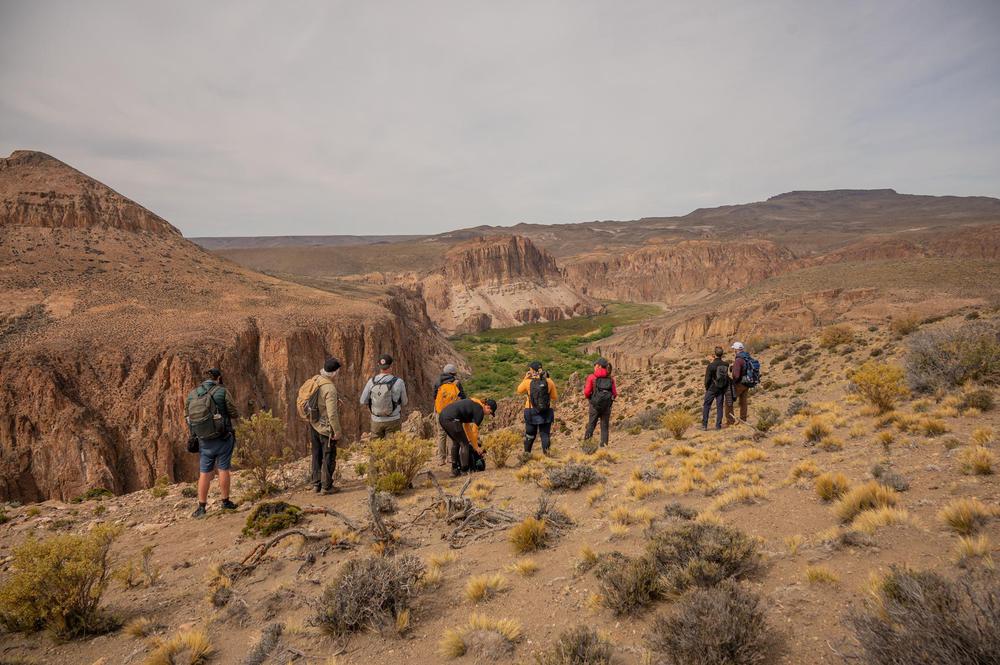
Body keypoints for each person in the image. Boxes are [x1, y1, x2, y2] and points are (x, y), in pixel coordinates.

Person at [185, 368, 240, 518]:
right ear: (219, 378)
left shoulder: (192, 394)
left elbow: (187, 417)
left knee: (204, 473)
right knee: (223, 469)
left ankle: (201, 507)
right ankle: (225, 502)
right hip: (223, 438)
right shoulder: (222, 391)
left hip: (203, 441)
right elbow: (234, 412)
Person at [439, 397, 497, 476]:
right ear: (488, 407)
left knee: (456, 442)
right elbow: (474, 431)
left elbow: (467, 427)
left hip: (443, 417)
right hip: (453, 419)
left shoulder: (475, 403)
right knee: (464, 444)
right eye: (490, 412)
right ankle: (464, 470)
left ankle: (455, 469)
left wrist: (471, 441)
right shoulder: (480, 410)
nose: (488, 414)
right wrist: (476, 447)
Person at [310, 357, 343, 494]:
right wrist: (337, 431)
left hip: (313, 423)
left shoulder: (316, 379)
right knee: (328, 455)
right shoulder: (330, 388)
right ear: (334, 373)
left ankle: (316, 484)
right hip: (325, 427)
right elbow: (332, 414)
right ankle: (326, 487)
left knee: (316, 454)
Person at [359, 354, 408, 438]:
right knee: (393, 447)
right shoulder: (399, 382)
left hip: (376, 421)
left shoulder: (371, 381)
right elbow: (404, 402)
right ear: (391, 366)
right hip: (393, 420)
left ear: (379, 366)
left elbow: (363, 400)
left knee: (376, 447)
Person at [516, 361, 558, 455]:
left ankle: (527, 455)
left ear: (531, 370)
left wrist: (525, 378)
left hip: (530, 410)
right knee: (545, 435)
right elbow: (554, 397)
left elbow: (519, 391)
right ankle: (547, 456)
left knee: (530, 435)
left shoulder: (527, 382)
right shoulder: (549, 381)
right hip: (545, 411)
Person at [433, 363, 467, 465]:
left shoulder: (437, 382)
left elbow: (435, 397)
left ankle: (441, 459)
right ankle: (451, 457)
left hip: (439, 412)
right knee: (452, 435)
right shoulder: (456, 382)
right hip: (452, 413)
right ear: (453, 373)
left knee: (441, 435)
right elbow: (463, 397)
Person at [583, 357, 617, 447]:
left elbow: (586, 392)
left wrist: (591, 398)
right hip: (606, 407)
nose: (594, 367)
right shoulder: (610, 379)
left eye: (595, 365)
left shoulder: (592, 377)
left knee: (591, 425)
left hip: (594, 406)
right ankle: (604, 447)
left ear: (598, 366)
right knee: (605, 427)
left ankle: (587, 446)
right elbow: (615, 393)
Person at [702, 347, 729, 430]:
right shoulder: (726, 364)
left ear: (714, 354)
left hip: (711, 389)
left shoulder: (711, 366)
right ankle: (718, 425)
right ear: (722, 354)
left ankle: (704, 425)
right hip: (721, 388)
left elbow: (707, 379)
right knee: (720, 406)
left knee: (706, 406)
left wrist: (707, 388)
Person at [725, 341, 750, 426]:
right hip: (747, 382)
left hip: (739, 384)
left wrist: (733, 381)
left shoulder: (738, 360)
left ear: (736, 350)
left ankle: (730, 421)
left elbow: (736, 375)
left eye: (734, 349)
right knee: (743, 402)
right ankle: (743, 420)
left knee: (728, 401)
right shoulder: (746, 357)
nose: (733, 351)